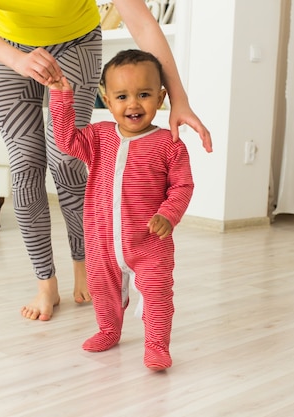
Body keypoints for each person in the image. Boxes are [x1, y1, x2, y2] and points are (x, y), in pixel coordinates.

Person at [0, 0, 212, 322]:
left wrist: (180, 99)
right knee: (24, 165)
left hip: (75, 41)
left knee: (66, 157)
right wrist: (19, 61)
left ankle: (85, 262)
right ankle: (45, 283)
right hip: (4, 44)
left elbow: (143, 23)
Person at [48, 49, 194, 371]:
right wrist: (61, 98)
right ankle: (109, 330)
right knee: (102, 290)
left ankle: (156, 345)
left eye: (144, 94)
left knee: (157, 295)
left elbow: (182, 187)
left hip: (149, 242)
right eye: (122, 96)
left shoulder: (169, 144)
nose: (133, 104)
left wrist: (168, 214)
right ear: (107, 99)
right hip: (102, 240)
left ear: (161, 97)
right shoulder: (99, 137)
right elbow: (66, 141)